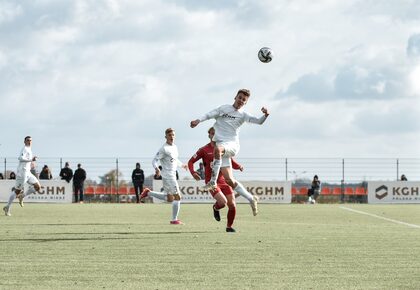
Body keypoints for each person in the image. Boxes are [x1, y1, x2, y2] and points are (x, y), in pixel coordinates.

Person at [190, 88, 269, 216]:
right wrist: (198, 121)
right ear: (235, 97)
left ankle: (212, 182)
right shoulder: (224, 108)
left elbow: (259, 121)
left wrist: (265, 115)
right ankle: (251, 199)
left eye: (244, 99)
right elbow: (209, 115)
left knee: (217, 150)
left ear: (245, 103)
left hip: (232, 145)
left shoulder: (243, 115)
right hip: (221, 147)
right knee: (229, 180)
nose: (241, 100)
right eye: (240, 97)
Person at [188, 127, 244, 232]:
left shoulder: (222, 148)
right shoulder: (203, 150)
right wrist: (193, 172)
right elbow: (190, 162)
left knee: (232, 205)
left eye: (216, 133)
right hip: (212, 183)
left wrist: (239, 166)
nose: (214, 135)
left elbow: (230, 161)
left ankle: (229, 227)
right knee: (223, 202)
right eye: (212, 133)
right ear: (209, 135)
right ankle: (216, 208)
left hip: (224, 181)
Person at [139, 128, 187, 225]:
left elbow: (174, 159)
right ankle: (174, 220)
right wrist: (157, 169)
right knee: (178, 197)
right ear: (166, 136)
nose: (172, 137)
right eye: (169, 135)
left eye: (173, 135)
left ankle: (148, 193)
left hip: (172, 174)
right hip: (168, 175)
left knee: (170, 198)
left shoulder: (175, 147)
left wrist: (182, 165)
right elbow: (154, 160)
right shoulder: (164, 148)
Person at [3, 136, 42, 216]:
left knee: (37, 187)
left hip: (28, 172)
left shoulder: (29, 149)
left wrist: (31, 161)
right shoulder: (24, 148)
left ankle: (22, 196)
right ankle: (7, 207)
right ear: (24, 141)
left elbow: (26, 160)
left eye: (31, 140)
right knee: (17, 191)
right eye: (28, 140)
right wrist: (31, 160)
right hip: (22, 172)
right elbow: (20, 158)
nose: (29, 142)